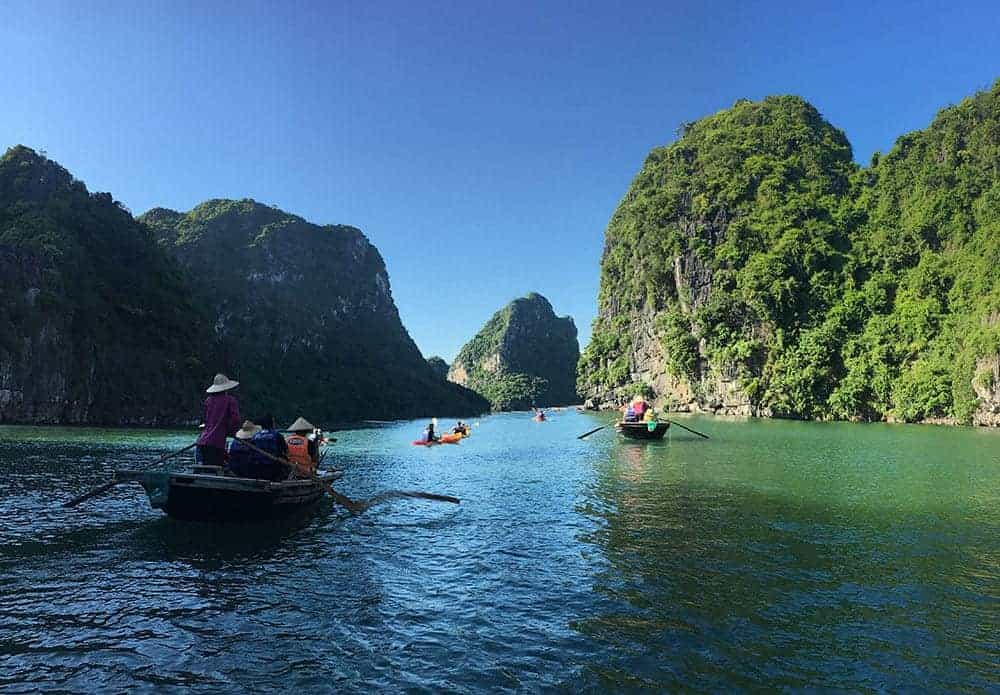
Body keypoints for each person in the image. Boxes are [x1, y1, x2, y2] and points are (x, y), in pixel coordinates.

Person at [195, 374, 241, 468]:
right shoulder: (230, 400)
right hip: (216, 442)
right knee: (216, 468)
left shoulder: (208, 400)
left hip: (202, 441)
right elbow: (235, 420)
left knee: (206, 469)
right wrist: (231, 432)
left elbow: (205, 421)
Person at [250, 413, 288, 481]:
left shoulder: (255, 436)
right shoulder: (277, 435)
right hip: (273, 468)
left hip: (257, 468)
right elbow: (285, 450)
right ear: (272, 423)